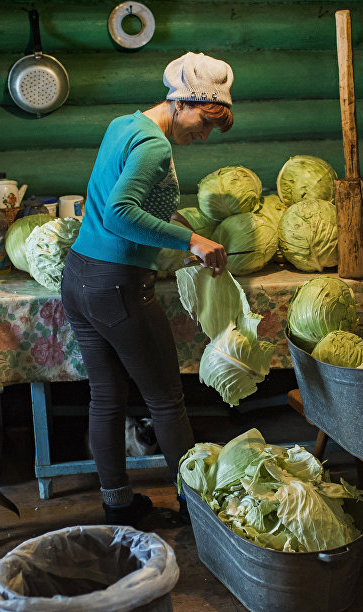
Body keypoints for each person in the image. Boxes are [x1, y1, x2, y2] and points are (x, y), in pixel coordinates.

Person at [60, 52, 232, 527]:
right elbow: (119, 213)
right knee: (165, 399)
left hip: (79, 278)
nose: (203, 135)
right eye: (203, 121)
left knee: (107, 396)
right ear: (181, 101)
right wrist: (193, 240)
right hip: (116, 284)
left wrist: (177, 221)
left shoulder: (125, 125)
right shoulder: (156, 147)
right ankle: (197, 511)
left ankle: (118, 504)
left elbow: (125, 200)